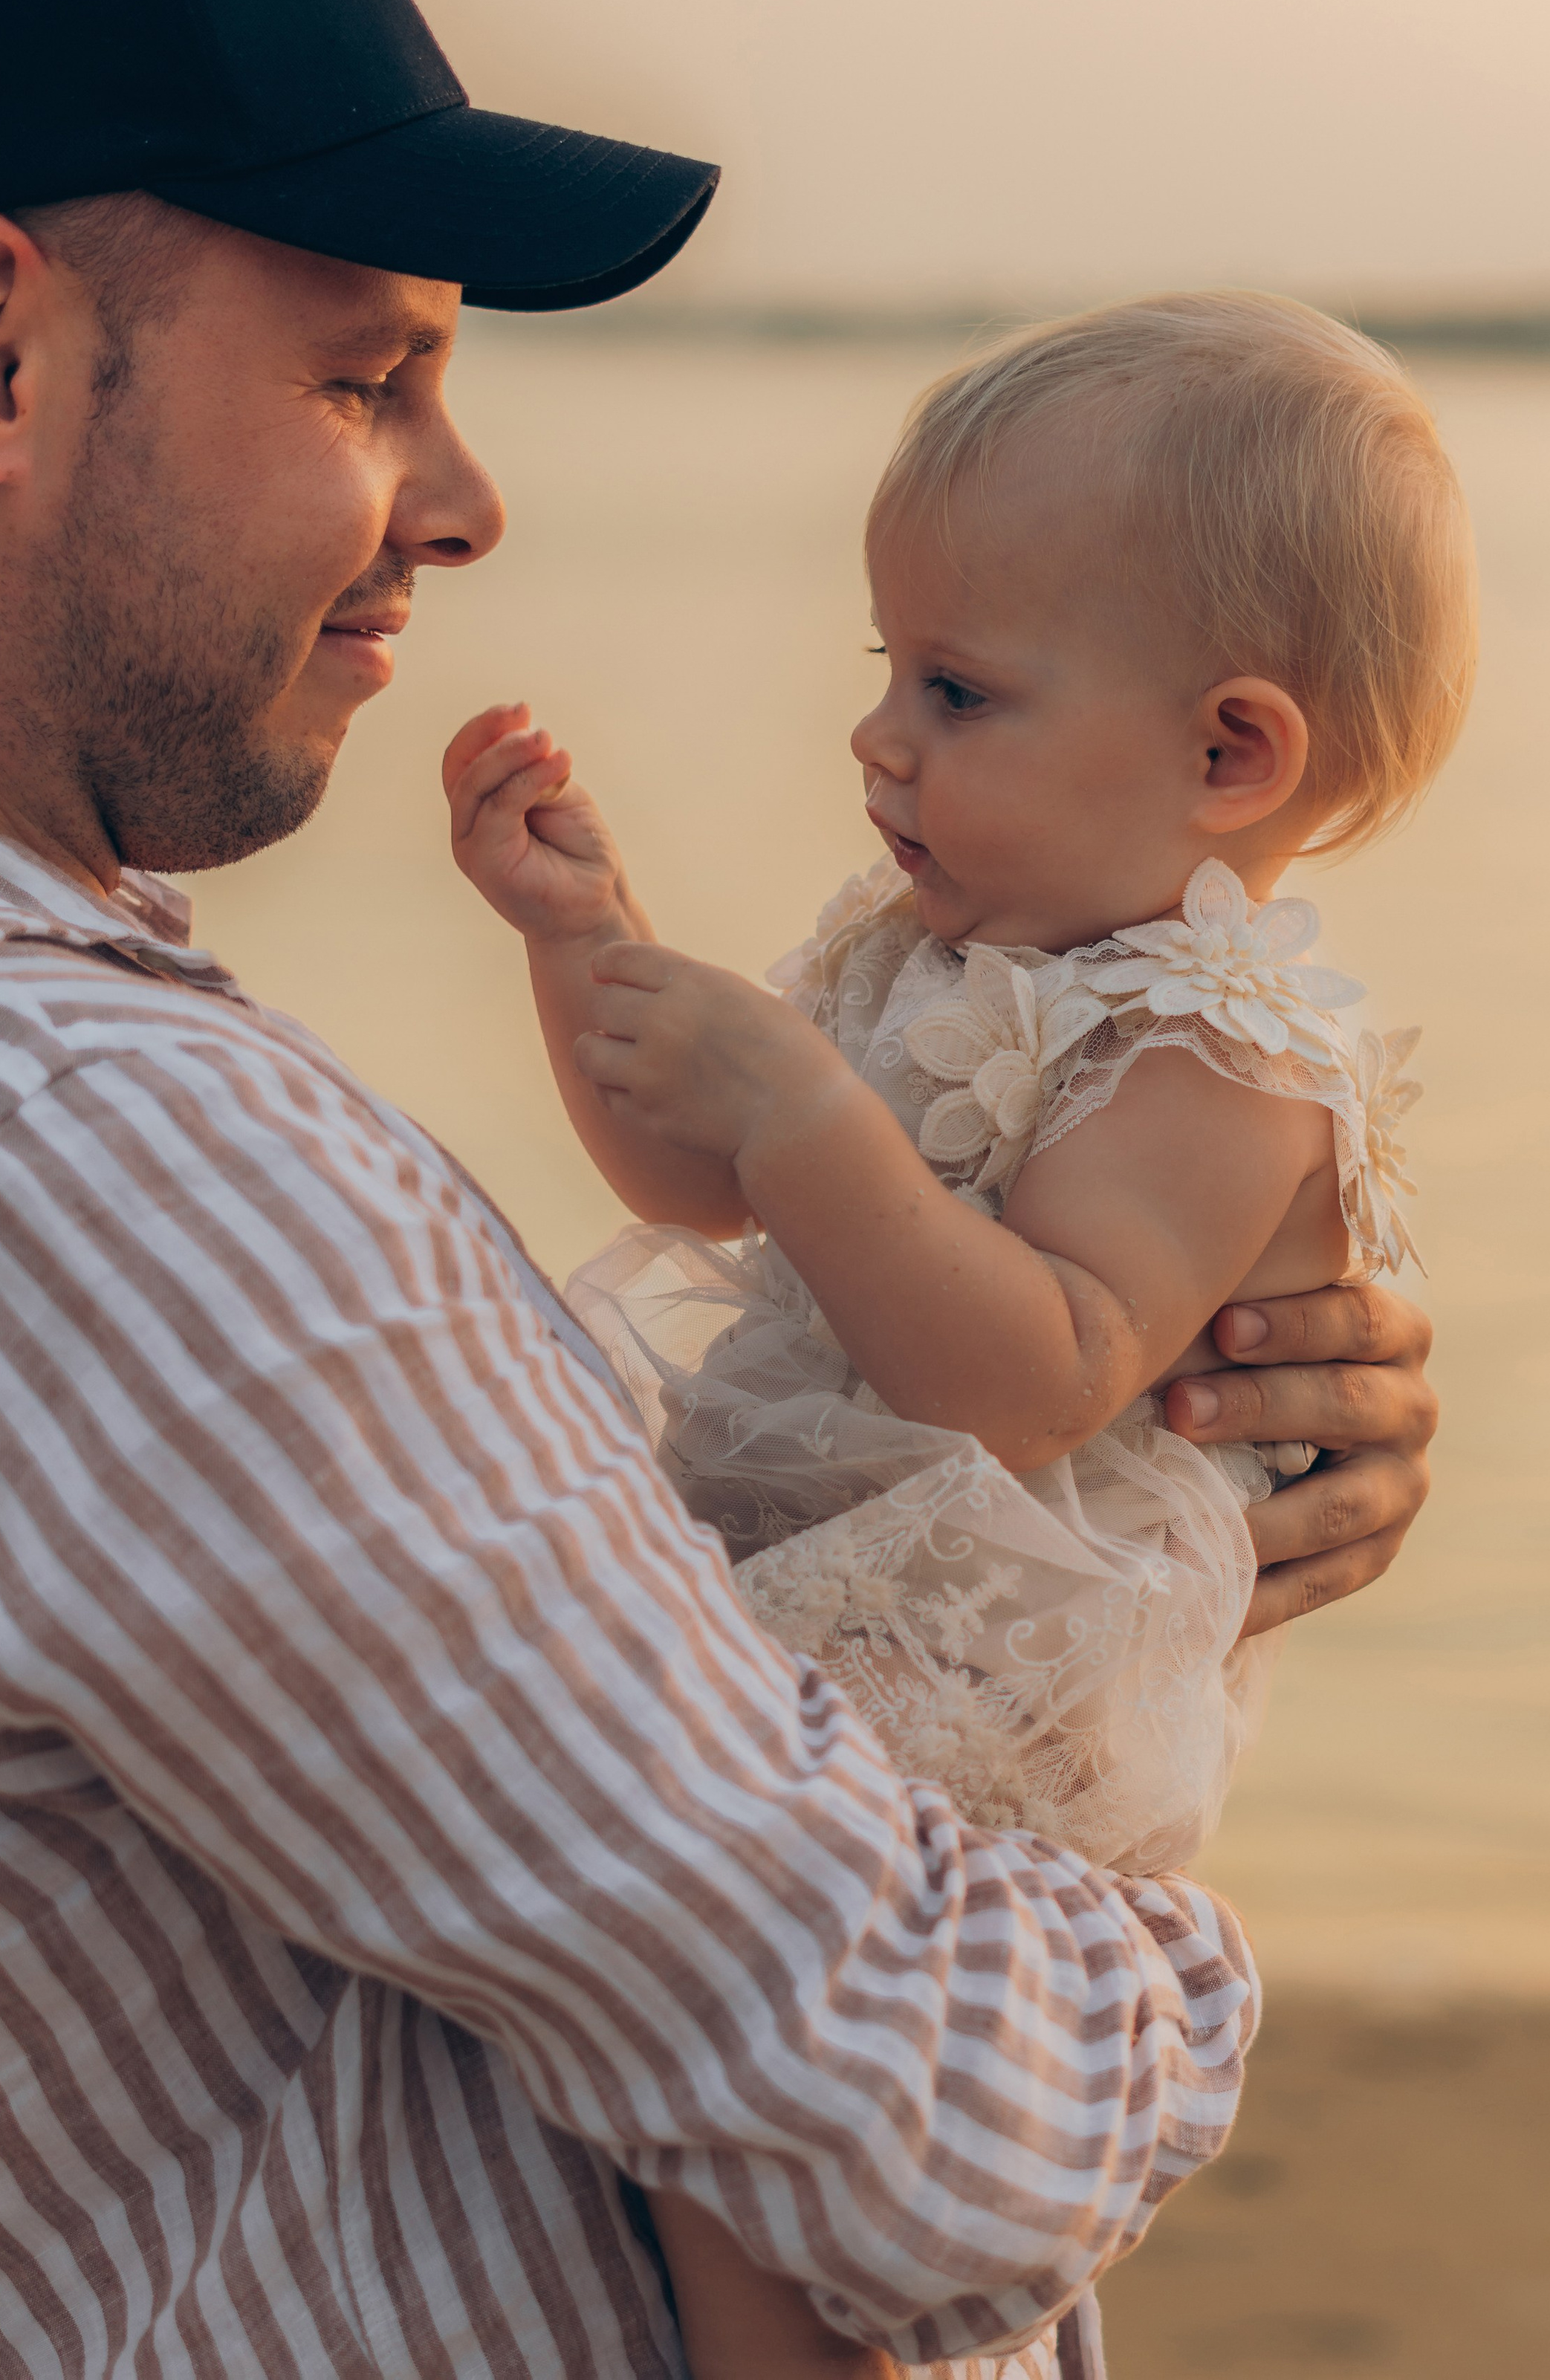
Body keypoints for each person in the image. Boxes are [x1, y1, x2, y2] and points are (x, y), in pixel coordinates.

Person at [0, 0, 1435, 2380]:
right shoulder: (98, 1167)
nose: (465, 498)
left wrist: (1167, 1440)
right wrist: (1163, 1757)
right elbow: (943, 2134)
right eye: (373, 376)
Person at [446, 293, 1473, 2375]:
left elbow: (1042, 1368)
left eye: (959, 688)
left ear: (1229, 751)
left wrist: (811, 1114)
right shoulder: (931, 947)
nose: (878, 740)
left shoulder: (1219, 1051)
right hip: (830, 1606)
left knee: (785, 2128)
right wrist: (588, 944)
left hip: (988, 1668)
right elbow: (697, 1186)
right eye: (884, 670)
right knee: (710, 2088)